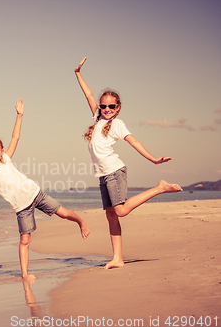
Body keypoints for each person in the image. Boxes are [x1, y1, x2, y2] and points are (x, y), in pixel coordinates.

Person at [74, 57, 183, 269]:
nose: (106, 109)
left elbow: (133, 141)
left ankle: (159, 188)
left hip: (114, 171)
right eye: (103, 105)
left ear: (118, 107)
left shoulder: (118, 124)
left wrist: (153, 159)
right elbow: (88, 94)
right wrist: (77, 73)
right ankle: (118, 258)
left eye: (111, 106)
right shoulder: (98, 119)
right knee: (111, 216)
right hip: (103, 175)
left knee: (121, 211)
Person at [0, 99, 90, 281]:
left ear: (2, 150)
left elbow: (15, 137)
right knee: (25, 240)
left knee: (63, 213)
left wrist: (19, 115)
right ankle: (25, 274)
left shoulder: (6, 159)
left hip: (35, 194)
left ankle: (80, 221)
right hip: (21, 207)